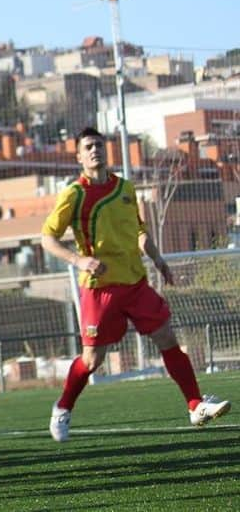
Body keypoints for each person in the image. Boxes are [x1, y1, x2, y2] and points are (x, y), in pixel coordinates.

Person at [41, 127, 230, 441]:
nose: (94, 151)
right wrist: (79, 260)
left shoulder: (125, 188)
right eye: (88, 147)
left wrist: (158, 259)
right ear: (78, 156)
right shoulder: (75, 194)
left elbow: (139, 231)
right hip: (99, 288)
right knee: (92, 360)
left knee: (167, 338)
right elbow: (47, 238)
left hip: (135, 283)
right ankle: (62, 407)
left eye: (99, 145)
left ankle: (195, 405)